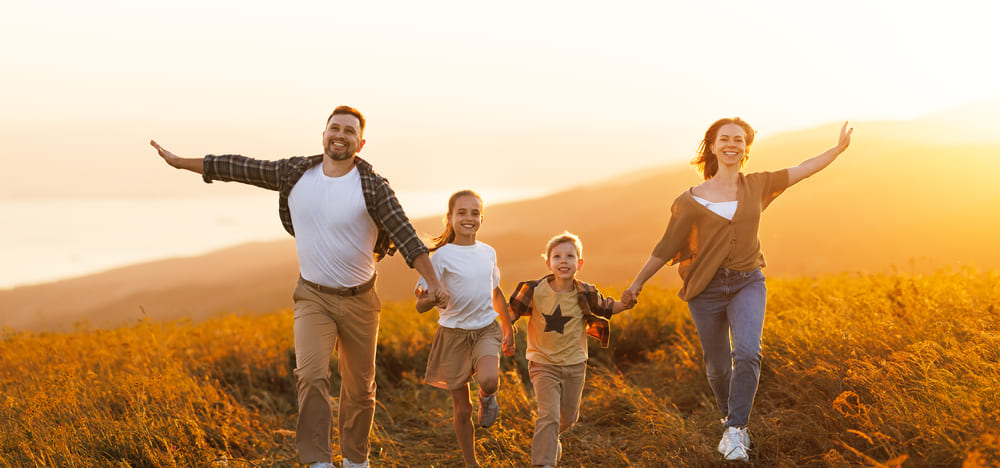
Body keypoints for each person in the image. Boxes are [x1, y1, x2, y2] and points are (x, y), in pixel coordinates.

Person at [149, 106, 450, 468]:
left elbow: (404, 234)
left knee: (360, 389)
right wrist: (181, 162)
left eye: (349, 131)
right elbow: (238, 166)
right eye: (334, 128)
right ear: (323, 135)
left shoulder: (372, 186)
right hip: (312, 297)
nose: (340, 135)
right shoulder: (295, 173)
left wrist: (433, 283)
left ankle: (356, 460)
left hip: (360, 300)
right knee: (310, 376)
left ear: (361, 142)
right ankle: (319, 461)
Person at [621, 117, 853, 462]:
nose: (732, 144)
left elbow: (803, 168)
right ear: (712, 146)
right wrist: (636, 284)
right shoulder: (689, 201)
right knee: (717, 367)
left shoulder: (757, 185)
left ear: (746, 149)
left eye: (739, 140)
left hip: (748, 281)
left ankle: (735, 430)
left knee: (747, 352)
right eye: (725, 139)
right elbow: (665, 247)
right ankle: (728, 418)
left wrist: (837, 149)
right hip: (705, 289)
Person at [508, 232, 633, 468]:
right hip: (542, 363)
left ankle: (550, 437)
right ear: (548, 263)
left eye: (570, 256)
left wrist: (624, 304)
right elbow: (509, 314)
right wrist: (503, 332)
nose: (563, 261)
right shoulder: (533, 290)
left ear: (580, 263)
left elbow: (607, 307)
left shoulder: (585, 292)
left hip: (575, 364)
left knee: (569, 418)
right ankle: (543, 462)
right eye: (557, 256)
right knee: (549, 415)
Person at [414, 190, 516, 467]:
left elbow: (495, 293)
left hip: (485, 329)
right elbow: (421, 304)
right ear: (449, 218)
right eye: (462, 212)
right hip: (452, 336)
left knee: (489, 380)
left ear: (482, 218)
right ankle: (471, 462)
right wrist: (432, 297)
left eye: (474, 213)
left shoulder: (488, 252)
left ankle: (488, 398)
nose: (468, 218)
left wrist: (507, 328)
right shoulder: (440, 257)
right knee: (462, 410)